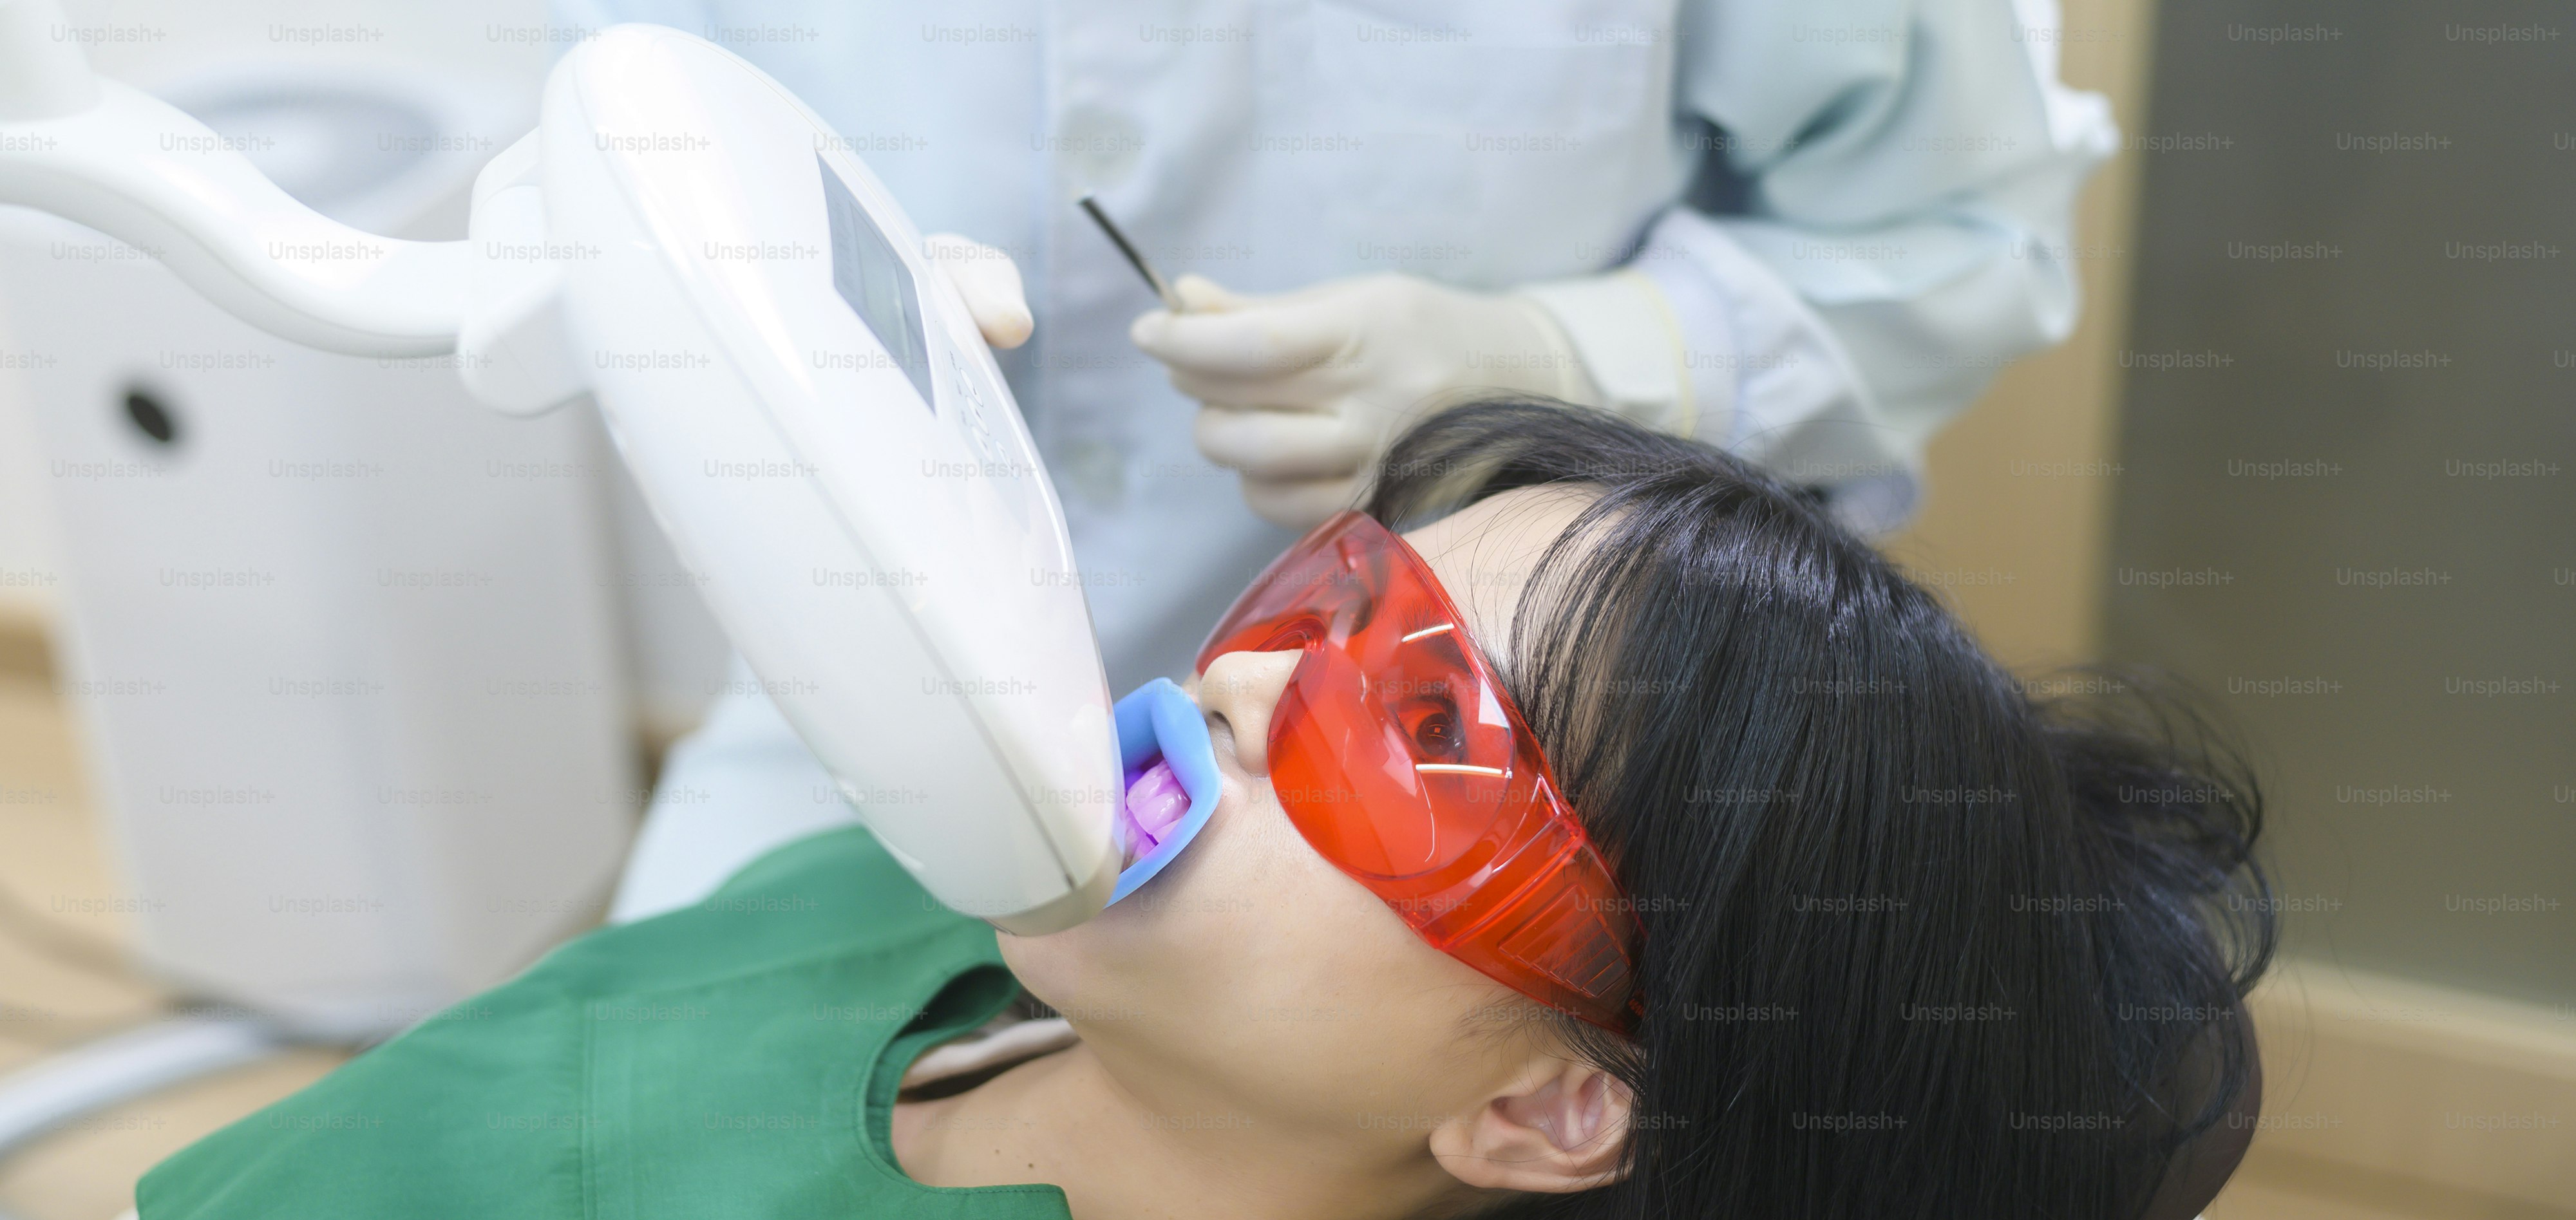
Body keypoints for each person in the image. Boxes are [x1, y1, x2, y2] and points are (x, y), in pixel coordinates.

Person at [0, 400, 2268, 1220]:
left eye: (1423, 735)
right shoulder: (897, 913)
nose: (1252, 677)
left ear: (1564, 1099)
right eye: (1328, 599)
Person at [563, 0, 2119, 690]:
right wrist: (765, 300)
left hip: (1502, 725)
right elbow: (604, 152)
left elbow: (1959, 239)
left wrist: (1565, 359)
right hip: (875, 681)